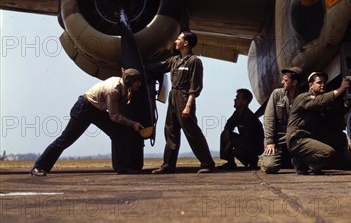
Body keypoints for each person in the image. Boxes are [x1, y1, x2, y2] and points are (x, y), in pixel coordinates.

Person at [30, 68, 145, 176]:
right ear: (129, 81)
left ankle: (123, 167)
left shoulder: (123, 86)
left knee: (119, 132)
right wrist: (133, 123)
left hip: (96, 110)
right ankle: (39, 167)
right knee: (65, 140)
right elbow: (114, 116)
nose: (139, 84)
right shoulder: (113, 90)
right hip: (84, 109)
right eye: (137, 82)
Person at [149, 31, 216, 174]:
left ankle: (208, 163)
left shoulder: (194, 61)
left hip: (185, 98)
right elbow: (158, 66)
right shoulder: (174, 60)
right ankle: (168, 165)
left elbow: (195, 87)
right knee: (170, 131)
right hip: (173, 96)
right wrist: (138, 66)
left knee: (191, 131)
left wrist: (188, 106)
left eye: (178, 39)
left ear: (186, 43)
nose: (175, 41)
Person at [286, 72, 350, 175]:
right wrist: (340, 89)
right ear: (311, 85)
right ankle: (304, 162)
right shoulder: (304, 97)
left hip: (310, 136)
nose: (323, 85)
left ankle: (309, 162)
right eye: (319, 82)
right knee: (328, 153)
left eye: (324, 82)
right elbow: (318, 101)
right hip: (298, 138)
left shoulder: (322, 100)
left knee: (339, 138)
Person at [262, 67, 303, 174]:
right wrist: (270, 141)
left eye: (285, 80)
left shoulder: (304, 97)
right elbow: (269, 119)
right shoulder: (277, 94)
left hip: (296, 139)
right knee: (270, 167)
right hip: (278, 138)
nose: (282, 82)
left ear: (294, 83)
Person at [218, 88, 264, 170]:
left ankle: (252, 160)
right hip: (245, 141)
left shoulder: (250, 117)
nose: (235, 99)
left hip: (255, 145)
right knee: (224, 134)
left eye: (238, 98)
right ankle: (230, 163)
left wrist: (231, 143)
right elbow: (229, 125)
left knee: (237, 151)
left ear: (244, 102)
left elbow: (248, 138)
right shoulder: (237, 113)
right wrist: (227, 131)